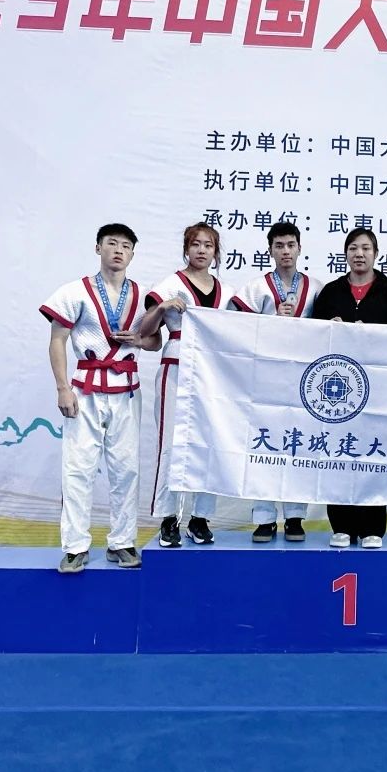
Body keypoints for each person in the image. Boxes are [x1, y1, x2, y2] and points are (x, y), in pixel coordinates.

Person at [39, 224, 149, 574]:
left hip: (126, 389)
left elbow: (155, 342)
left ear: (132, 254)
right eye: (111, 244)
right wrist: (62, 388)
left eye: (125, 246)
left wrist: (138, 341)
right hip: (85, 390)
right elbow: (57, 340)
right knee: (78, 468)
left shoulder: (143, 296)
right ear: (98, 248)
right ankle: (75, 546)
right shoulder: (74, 291)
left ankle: (122, 541)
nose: (118, 250)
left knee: (126, 469)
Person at [311, 227, 387, 548]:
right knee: (337, 453)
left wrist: (371, 334)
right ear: (345, 254)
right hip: (335, 391)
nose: (359, 253)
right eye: (353, 248)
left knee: (373, 454)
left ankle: (372, 527)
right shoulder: (331, 292)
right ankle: (341, 525)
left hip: (379, 389)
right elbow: (310, 338)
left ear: (376, 254)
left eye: (366, 248)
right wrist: (330, 330)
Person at [229, 221, 323, 543]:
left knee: (299, 444)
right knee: (264, 444)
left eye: (290, 245)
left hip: (305, 379)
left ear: (299, 248)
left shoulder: (316, 288)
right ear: (270, 250)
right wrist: (270, 321)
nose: (285, 251)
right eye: (279, 246)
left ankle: (295, 516)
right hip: (266, 377)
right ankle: (264, 517)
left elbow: (327, 328)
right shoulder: (256, 288)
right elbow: (235, 325)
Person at [139, 223, 233, 548]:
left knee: (210, 442)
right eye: (196, 244)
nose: (202, 250)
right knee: (171, 442)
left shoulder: (226, 292)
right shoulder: (169, 284)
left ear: (216, 252)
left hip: (213, 372)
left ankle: (200, 517)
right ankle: (169, 518)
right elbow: (145, 331)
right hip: (176, 366)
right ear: (186, 249)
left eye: (208, 245)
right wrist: (161, 307)